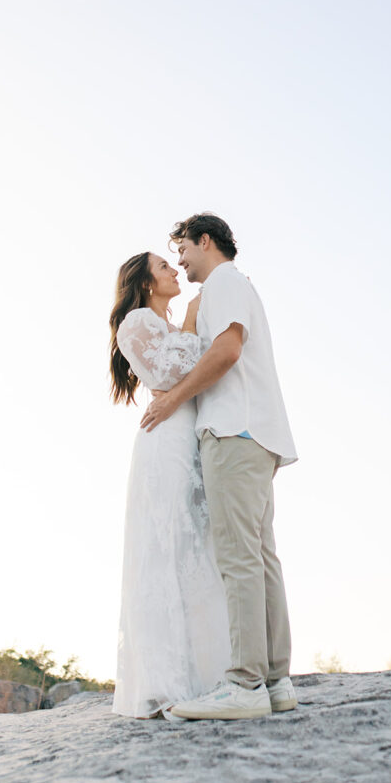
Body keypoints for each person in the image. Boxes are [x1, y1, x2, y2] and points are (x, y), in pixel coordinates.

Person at [141, 213, 298, 720]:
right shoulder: (227, 288)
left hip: (234, 430)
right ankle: (275, 682)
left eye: (182, 248)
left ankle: (245, 684)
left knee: (238, 559)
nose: (180, 260)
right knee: (259, 556)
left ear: (205, 241)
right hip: (256, 432)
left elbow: (227, 351)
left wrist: (174, 401)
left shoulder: (225, 283)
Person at [108, 251, 229, 718]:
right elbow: (168, 371)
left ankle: (207, 675)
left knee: (196, 549)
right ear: (143, 283)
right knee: (166, 548)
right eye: (164, 267)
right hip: (166, 443)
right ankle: (164, 683)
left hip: (189, 436)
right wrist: (196, 316)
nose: (174, 271)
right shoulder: (136, 322)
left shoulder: (166, 325)